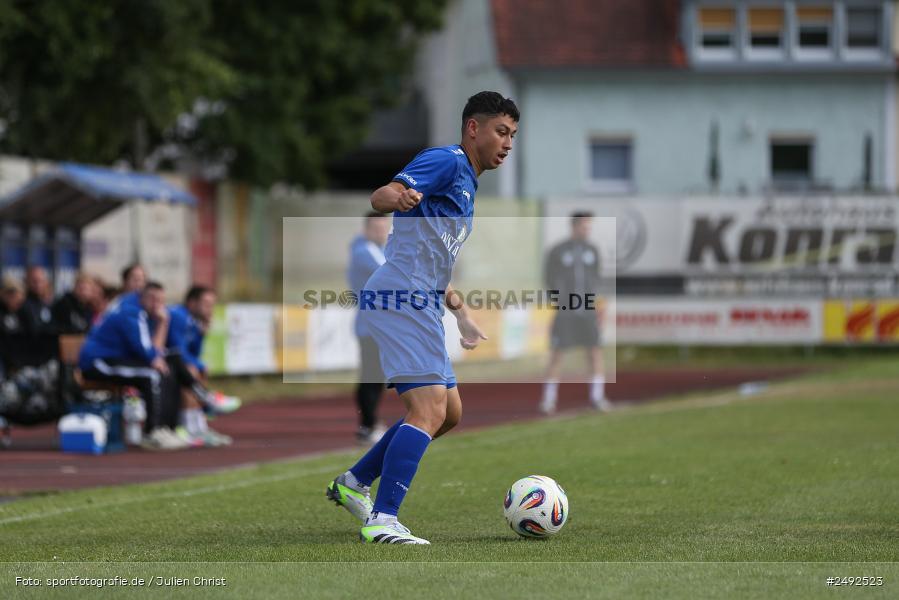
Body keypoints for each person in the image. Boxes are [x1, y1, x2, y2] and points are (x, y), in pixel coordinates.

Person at [325, 91, 519, 544]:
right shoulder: (447, 161)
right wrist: (399, 196)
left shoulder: (468, 184)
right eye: (501, 132)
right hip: (401, 296)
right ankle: (383, 519)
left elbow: (435, 262)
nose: (508, 144)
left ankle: (353, 483)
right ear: (473, 128)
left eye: (512, 135)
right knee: (428, 409)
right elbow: (381, 195)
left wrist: (461, 314)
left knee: (448, 414)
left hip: (423, 300)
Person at [78, 281, 188, 450]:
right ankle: (153, 432)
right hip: (97, 362)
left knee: (169, 367)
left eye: (161, 300)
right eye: (153, 299)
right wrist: (155, 358)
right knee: (152, 374)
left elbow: (155, 350)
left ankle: (166, 428)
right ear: (143, 298)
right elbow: (144, 349)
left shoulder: (145, 314)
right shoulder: (132, 311)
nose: (158, 305)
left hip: (114, 359)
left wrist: (163, 323)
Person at [539, 211, 610, 414]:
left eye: (589, 227)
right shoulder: (558, 251)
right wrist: (560, 300)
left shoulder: (592, 250)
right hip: (566, 311)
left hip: (587, 310)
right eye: (584, 226)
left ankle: (597, 397)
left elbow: (596, 279)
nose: (587, 230)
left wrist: (597, 304)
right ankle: (548, 400)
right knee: (557, 354)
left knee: (594, 352)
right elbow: (548, 279)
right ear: (575, 226)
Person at [166, 285, 237, 447]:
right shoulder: (178, 316)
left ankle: (200, 426)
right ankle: (189, 426)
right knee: (191, 370)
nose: (210, 309)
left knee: (198, 369)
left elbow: (194, 353)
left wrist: (201, 335)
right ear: (192, 303)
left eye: (212, 305)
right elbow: (178, 351)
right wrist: (198, 365)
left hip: (173, 361)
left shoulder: (193, 321)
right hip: (160, 361)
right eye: (206, 304)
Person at [347, 212, 391, 444]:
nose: (381, 232)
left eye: (384, 228)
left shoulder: (377, 249)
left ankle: (370, 423)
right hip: (370, 324)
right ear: (366, 229)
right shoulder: (364, 250)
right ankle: (367, 426)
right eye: (376, 228)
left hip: (380, 323)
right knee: (371, 375)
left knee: (376, 375)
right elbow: (392, 271)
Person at [21, 265, 57, 364]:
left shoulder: (51, 304)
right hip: (28, 359)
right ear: (26, 282)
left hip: (48, 358)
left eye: (41, 281)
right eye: (34, 281)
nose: (38, 284)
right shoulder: (22, 305)